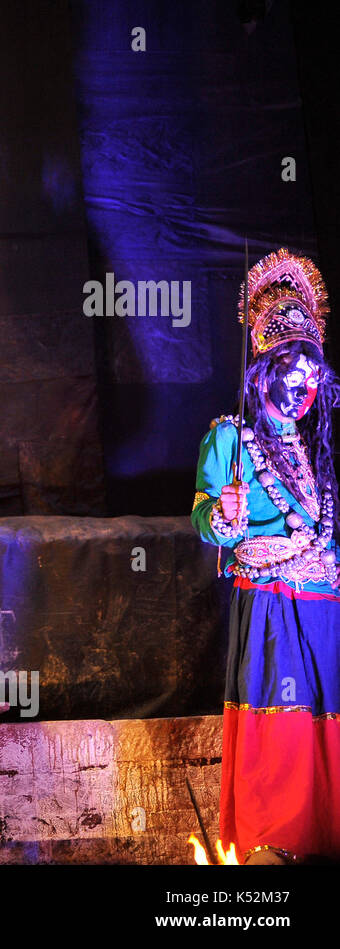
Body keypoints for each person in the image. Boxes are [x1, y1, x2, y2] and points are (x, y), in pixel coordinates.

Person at [191, 248, 340, 864]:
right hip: (273, 604)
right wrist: (224, 517)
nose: (304, 387)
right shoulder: (230, 435)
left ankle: (320, 837)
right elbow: (205, 519)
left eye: (314, 377)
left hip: (324, 605)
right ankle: (275, 839)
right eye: (292, 371)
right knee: (280, 718)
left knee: (324, 718)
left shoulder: (307, 449)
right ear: (262, 371)